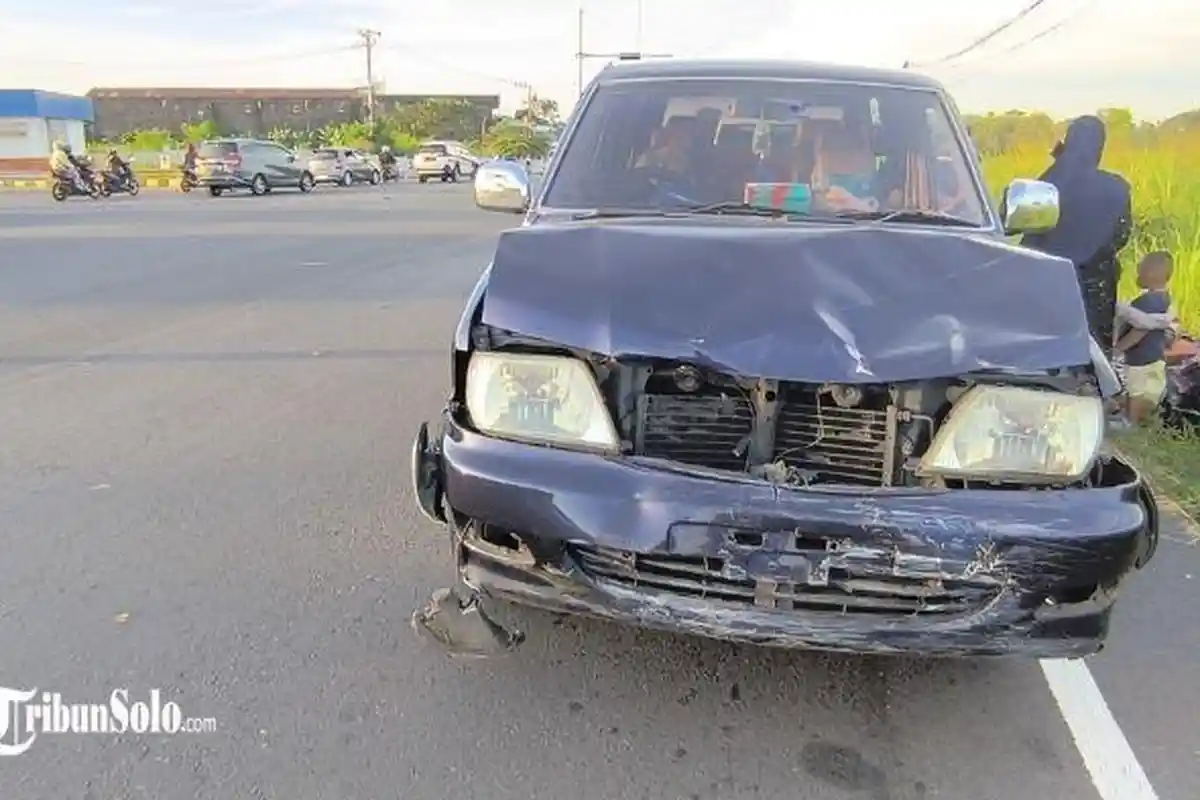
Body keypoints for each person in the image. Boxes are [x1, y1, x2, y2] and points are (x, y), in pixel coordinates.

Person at [1021, 115, 1132, 359]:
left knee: (1043, 350)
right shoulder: (1116, 187)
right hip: (1096, 284)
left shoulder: (1048, 182)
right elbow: (1122, 234)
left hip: (1046, 277)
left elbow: (1026, 229)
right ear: (1099, 147)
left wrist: (1060, 163)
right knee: (1092, 353)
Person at [1114, 251, 1173, 424]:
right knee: (1148, 390)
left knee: (1135, 390)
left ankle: (1130, 422)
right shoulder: (1166, 299)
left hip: (1140, 358)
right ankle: (1144, 417)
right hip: (1156, 355)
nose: (1137, 271)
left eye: (1140, 268)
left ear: (1151, 273)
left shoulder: (1146, 302)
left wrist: (1119, 348)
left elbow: (1140, 330)